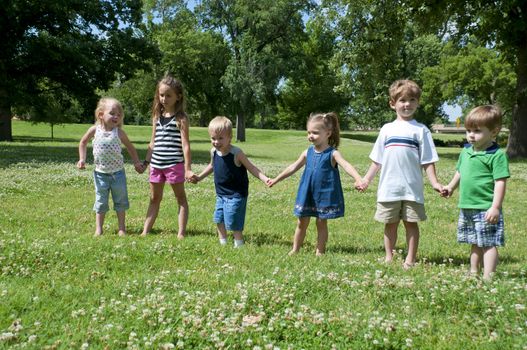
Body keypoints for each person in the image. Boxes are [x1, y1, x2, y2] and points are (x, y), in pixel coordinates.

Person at [357, 80, 443, 268]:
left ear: (417, 103)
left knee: (411, 224)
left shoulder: (421, 130)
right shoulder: (387, 129)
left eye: (412, 100)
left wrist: (435, 183)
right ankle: (389, 256)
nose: (407, 104)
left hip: (412, 188)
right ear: (392, 103)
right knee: (390, 223)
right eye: (402, 100)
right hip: (389, 188)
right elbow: (377, 160)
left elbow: (427, 160)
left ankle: (410, 259)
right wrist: (366, 179)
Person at [268, 112, 362, 256]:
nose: (310, 136)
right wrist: (276, 179)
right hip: (307, 192)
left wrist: (358, 178)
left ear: (328, 133)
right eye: (309, 132)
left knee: (321, 223)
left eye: (315, 133)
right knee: (302, 222)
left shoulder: (333, 153)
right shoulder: (307, 152)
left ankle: (320, 251)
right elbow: (293, 167)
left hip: (324, 193)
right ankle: (295, 249)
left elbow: (346, 165)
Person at [442, 105, 509, 280]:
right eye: (468, 130)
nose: (471, 134)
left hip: (485, 207)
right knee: (474, 241)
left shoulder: (497, 155)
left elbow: (500, 182)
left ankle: (488, 277)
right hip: (467, 205)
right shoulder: (466, 152)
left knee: (488, 243)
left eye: (477, 131)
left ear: (493, 132)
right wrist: (450, 187)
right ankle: (473, 272)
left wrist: (495, 207)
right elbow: (460, 172)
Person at [190, 116, 270, 247]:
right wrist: (199, 177)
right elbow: (211, 166)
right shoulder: (214, 152)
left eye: (220, 138)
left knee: (233, 219)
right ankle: (223, 243)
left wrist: (264, 178)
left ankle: (239, 244)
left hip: (236, 194)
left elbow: (251, 168)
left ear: (230, 137)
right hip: (221, 193)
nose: (216, 142)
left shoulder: (236, 153)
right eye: (213, 138)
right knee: (219, 218)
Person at [77, 97, 144, 236]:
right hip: (100, 174)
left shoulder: (119, 132)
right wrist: (82, 159)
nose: (116, 117)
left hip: (118, 174)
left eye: (119, 114)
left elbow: (131, 148)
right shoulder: (94, 130)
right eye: (112, 113)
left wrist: (137, 162)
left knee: (120, 201)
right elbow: (83, 142)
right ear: (101, 114)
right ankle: (99, 229)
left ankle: (121, 228)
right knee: (101, 201)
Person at [141, 75, 195, 238]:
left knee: (180, 198)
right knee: (154, 199)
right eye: (161, 95)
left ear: (178, 97)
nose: (164, 98)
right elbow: (152, 142)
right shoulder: (156, 117)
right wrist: (146, 162)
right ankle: (145, 231)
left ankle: (181, 233)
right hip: (156, 166)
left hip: (174, 165)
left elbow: (185, 145)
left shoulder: (181, 118)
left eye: (168, 95)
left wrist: (187, 169)